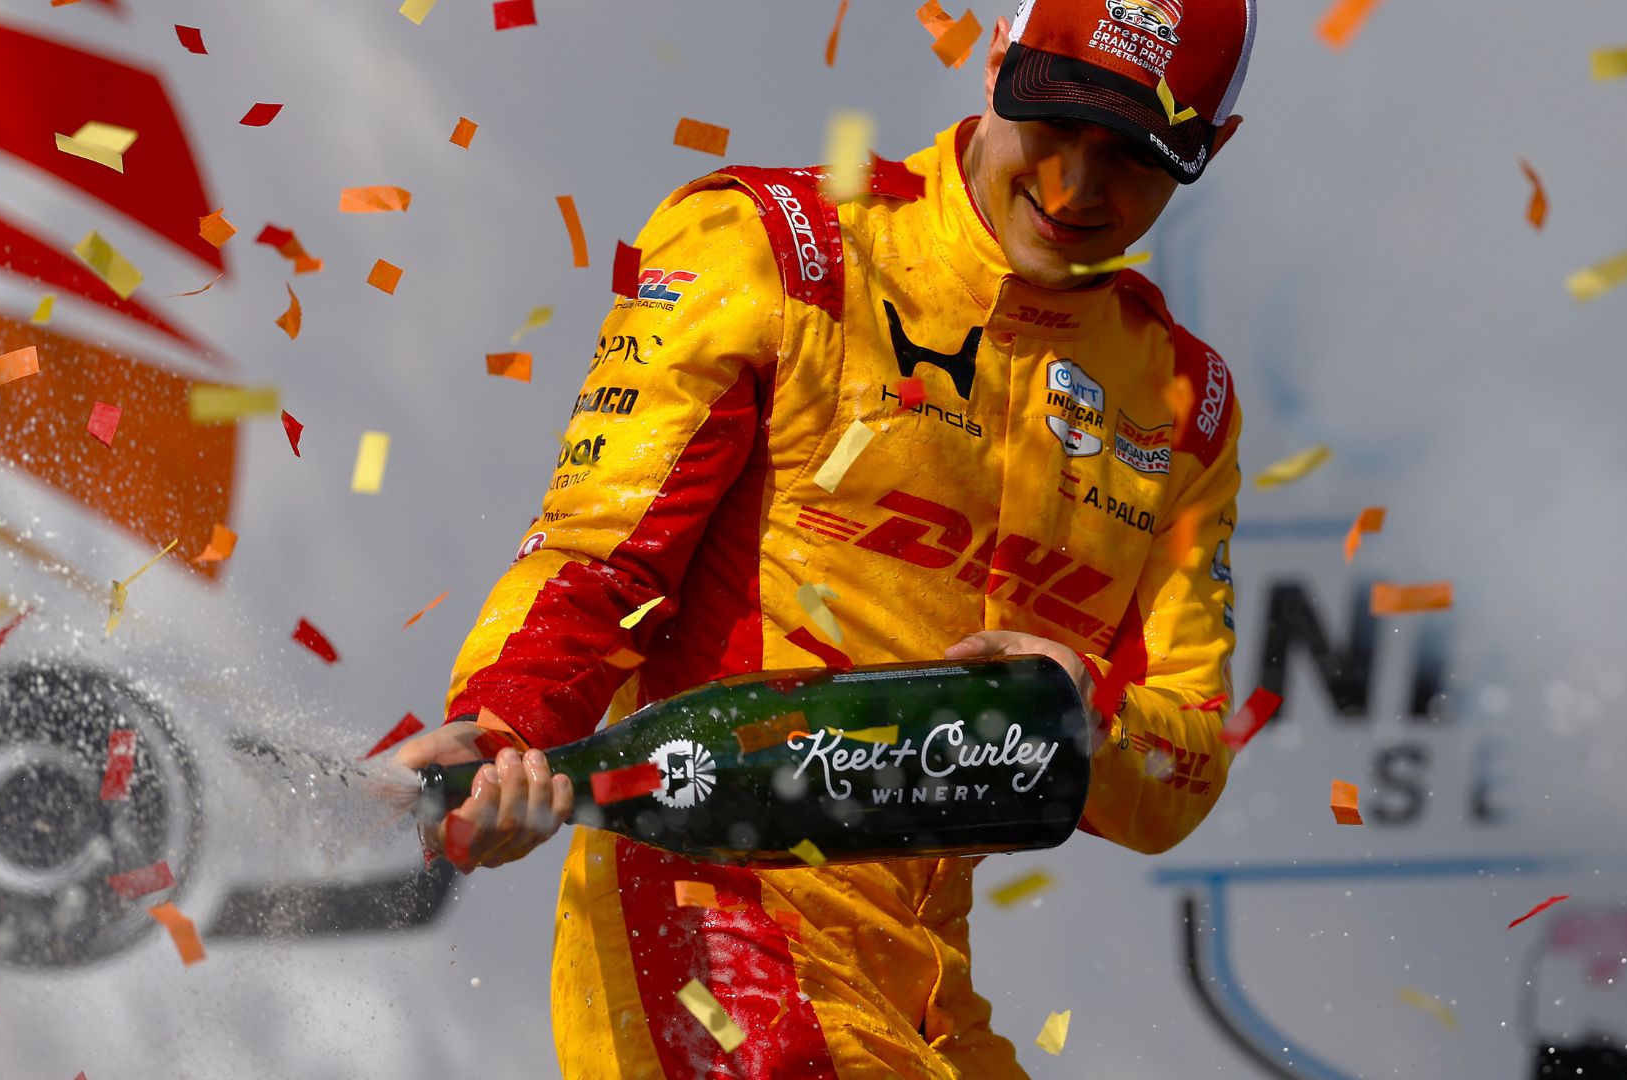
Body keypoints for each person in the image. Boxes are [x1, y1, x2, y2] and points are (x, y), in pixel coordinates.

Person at [393, 0, 1255, 1073]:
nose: (1078, 188)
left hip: (927, 980)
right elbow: (599, 550)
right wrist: (500, 722)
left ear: (1211, 149)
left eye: (1132, 155)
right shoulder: (781, 247)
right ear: (997, 56)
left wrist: (1088, 713)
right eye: (1056, 123)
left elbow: (1187, 767)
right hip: (711, 915)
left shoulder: (1181, 402)